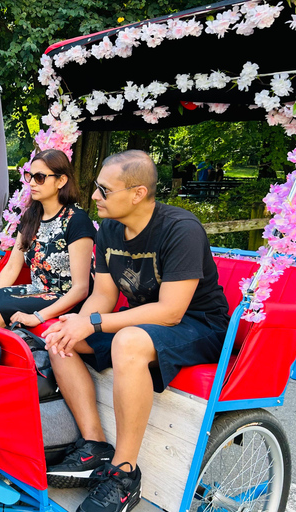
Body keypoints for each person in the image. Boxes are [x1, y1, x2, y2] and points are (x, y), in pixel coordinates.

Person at [43, 150, 230, 512]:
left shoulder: (181, 229)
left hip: (200, 325)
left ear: (138, 193)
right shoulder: (109, 229)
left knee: (127, 341)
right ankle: (95, 446)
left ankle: (125, 474)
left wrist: (94, 322)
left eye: (103, 189)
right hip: (147, 321)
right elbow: (103, 295)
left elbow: (171, 312)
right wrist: (77, 324)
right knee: (59, 337)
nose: (94, 196)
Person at [0, 148, 95, 329]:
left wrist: (38, 316)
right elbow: (12, 266)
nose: (32, 183)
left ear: (61, 180)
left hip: (67, 298)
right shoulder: (31, 217)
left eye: (40, 178)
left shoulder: (76, 220)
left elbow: (80, 289)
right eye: (30, 176)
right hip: (36, 291)